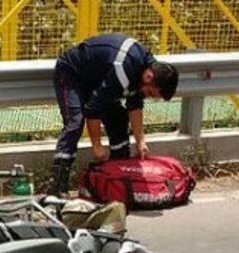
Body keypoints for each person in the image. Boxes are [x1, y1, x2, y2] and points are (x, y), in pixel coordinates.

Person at [51, 33, 179, 197]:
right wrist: (97, 146)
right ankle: (57, 186)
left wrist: (141, 142)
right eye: (150, 93)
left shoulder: (148, 68)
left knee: (118, 119)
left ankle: (118, 176)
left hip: (99, 79)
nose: (148, 96)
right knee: (75, 122)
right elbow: (93, 108)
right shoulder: (123, 70)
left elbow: (135, 104)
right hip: (72, 73)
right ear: (148, 77)